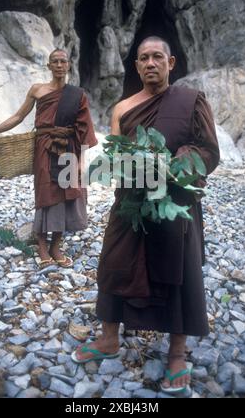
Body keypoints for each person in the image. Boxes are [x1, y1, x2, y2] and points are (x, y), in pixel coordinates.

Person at [71, 36, 220, 394]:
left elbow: (209, 151)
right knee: (115, 261)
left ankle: (177, 352)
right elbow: (116, 157)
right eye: (143, 58)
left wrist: (176, 162)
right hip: (132, 201)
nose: (150, 63)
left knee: (178, 268)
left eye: (157, 57)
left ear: (171, 63)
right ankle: (109, 339)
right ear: (136, 66)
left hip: (175, 197)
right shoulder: (123, 109)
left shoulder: (191, 101)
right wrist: (133, 167)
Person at [0, 48, 97, 269]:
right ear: (49, 65)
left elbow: (84, 130)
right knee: (46, 193)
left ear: (68, 65)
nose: (59, 65)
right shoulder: (37, 90)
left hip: (69, 147)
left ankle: (56, 245)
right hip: (44, 147)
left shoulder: (77, 95)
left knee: (67, 194)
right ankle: (42, 246)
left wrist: (82, 161)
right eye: (55, 61)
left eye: (63, 61)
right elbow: (18, 116)